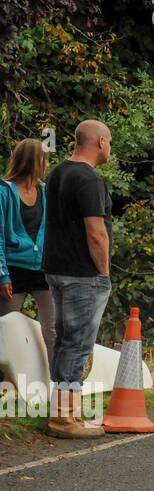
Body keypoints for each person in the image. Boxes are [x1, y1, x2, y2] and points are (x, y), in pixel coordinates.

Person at [42, 120, 114, 439]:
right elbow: (96, 232)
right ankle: (64, 419)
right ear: (99, 142)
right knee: (78, 344)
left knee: (64, 340)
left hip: (55, 268)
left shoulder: (58, 172)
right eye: (109, 142)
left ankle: (61, 410)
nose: (110, 148)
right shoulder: (89, 179)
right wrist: (104, 272)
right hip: (82, 273)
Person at [1, 139, 55, 363]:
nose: (47, 164)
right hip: (13, 270)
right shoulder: (4, 192)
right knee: (5, 329)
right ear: (33, 161)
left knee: (52, 329)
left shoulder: (45, 191)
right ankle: (5, 384)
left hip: (43, 268)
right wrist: (2, 275)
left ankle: (59, 382)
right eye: (45, 159)